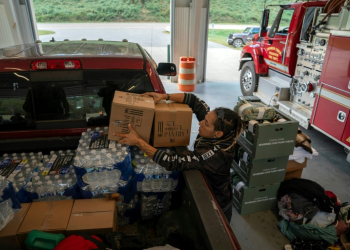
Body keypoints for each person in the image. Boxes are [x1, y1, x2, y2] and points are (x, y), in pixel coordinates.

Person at [114, 92, 244, 222]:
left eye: (206, 123)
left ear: (218, 134)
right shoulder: (216, 123)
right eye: (204, 120)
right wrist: (165, 96)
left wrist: (138, 141)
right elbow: (194, 100)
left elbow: (172, 161)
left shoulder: (214, 155)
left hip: (215, 203)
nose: (200, 123)